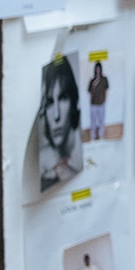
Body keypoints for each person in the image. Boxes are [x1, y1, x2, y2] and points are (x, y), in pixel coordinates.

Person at [38, 57, 82, 190]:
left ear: (73, 103)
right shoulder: (43, 166)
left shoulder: (81, 156)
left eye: (63, 98)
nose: (56, 115)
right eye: (50, 103)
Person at [87, 61, 109, 140]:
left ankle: (101, 135)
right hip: (93, 104)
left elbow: (106, 90)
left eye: (99, 69)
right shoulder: (92, 80)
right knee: (93, 121)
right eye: (96, 69)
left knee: (101, 121)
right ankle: (92, 136)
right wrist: (90, 102)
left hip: (101, 103)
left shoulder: (104, 79)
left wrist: (105, 100)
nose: (98, 70)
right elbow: (90, 92)